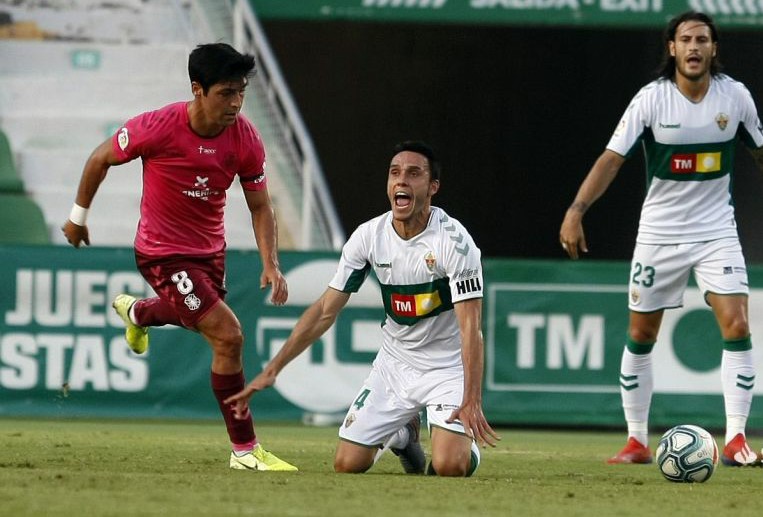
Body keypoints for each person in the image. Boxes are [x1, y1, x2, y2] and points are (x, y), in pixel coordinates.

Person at [61, 43, 297, 472]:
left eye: (241, 91)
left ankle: (139, 314)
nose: (236, 102)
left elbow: (260, 205)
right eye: (226, 92)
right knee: (228, 335)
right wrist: (78, 218)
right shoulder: (158, 127)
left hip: (210, 253)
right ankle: (244, 451)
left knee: (195, 318)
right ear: (197, 89)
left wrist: (271, 262)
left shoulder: (244, 138)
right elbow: (100, 157)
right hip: (162, 252)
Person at [559, 11, 763, 466]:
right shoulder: (652, 101)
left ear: (714, 48)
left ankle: (735, 439)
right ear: (671, 48)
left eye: (702, 40)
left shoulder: (736, 98)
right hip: (660, 234)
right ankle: (636, 441)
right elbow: (612, 159)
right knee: (641, 333)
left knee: (738, 325)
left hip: (716, 231)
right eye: (685, 39)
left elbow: (760, 152)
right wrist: (576, 211)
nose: (694, 47)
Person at [225, 141, 500, 476]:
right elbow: (325, 310)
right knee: (347, 464)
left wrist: (472, 398)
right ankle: (402, 434)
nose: (402, 181)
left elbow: (471, 328)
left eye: (414, 174)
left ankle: (455, 442)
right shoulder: (369, 236)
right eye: (395, 173)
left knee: (448, 465)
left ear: (433, 188)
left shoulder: (455, 244)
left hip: (446, 368)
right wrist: (273, 369)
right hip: (395, 365)